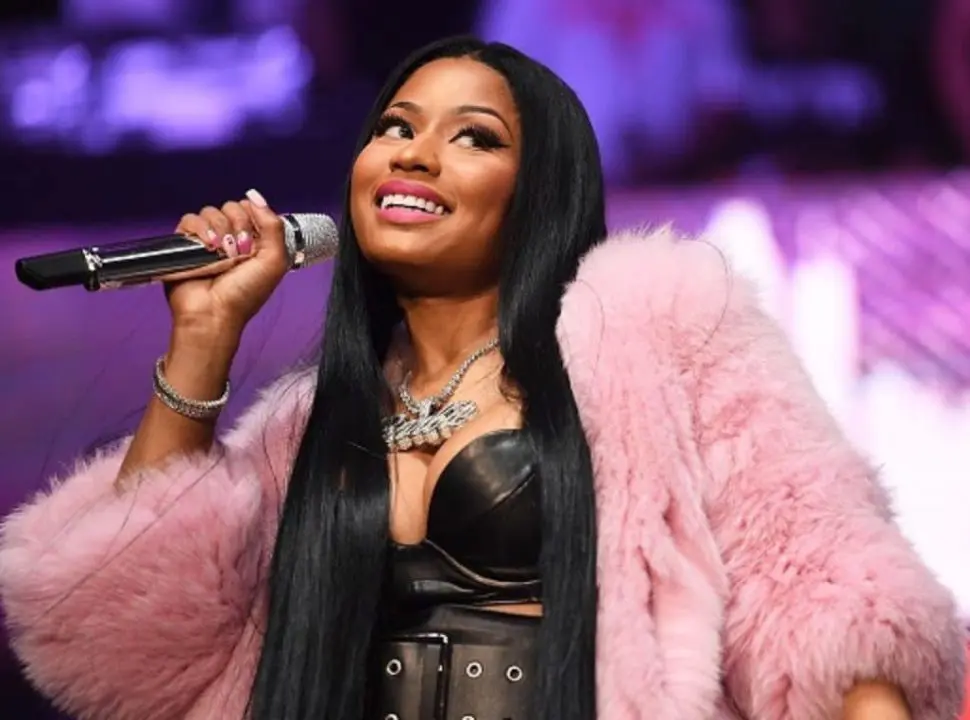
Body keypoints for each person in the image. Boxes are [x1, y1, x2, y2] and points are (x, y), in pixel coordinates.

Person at [0, 36, 964, 720]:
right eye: (395, 126)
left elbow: (819, 591)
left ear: (541, 193)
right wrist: (203, 339)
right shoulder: (303, 431)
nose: (414, 152)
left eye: (474, 137)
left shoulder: (654, 328)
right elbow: (120, 648)